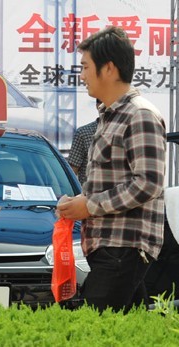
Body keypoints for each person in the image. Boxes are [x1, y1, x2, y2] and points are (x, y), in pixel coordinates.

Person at [56, 26, 166, 313]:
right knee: (129, 331)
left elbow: (149, 183)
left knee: (94, 329)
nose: (81, 76)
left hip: (123, 248)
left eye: (85, 67)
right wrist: (75, 204)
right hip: (111, 247)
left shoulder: (139, 115)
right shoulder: (110, 116)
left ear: (108, 69)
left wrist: (89, 206)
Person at [67, 99, 101, 186]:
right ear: (97, 105)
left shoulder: (126, 131)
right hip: (89, 195)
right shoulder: (84, 132)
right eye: (101, 103)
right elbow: (73, 169)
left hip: (119, 195)